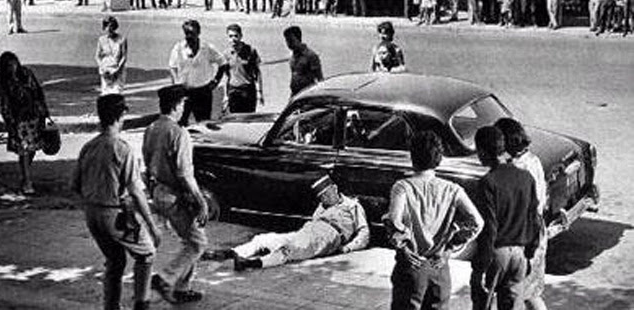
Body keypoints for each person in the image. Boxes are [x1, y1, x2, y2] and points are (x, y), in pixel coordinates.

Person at [72, 94, 161, 310]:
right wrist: (151, 225)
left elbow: (75, 186)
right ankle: (142, 303)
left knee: (115, 260)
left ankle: (111, 305)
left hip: (92, 213)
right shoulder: (122, 148)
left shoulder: (88, 147)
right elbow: (136, 192)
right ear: (121, 116)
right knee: (147, 253)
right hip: (114, 212)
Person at [385, 131, 483, 310]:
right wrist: (449, 249)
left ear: (412, 157)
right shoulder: (453, 189)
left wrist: (404, 248)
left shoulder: (402, 187)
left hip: (412, 265)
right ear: (439, 159)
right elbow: (477, 222)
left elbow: (394, 220)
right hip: (439, 267)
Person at [204, 174, 370, 270]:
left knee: (290, 249)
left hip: (329, 235)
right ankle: (231, 253)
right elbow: (313, 222)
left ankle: (251, 264)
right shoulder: (322, 206)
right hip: (309, 230)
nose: (324, 199)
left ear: (335, 189)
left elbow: (364, 233)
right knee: (264, 238)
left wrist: (348, 247)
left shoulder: (352, 206)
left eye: (326, 195)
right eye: (321, 197)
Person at [143, 85, 209, 304]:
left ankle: (183, 288)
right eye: (182, 103)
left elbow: (146, 161)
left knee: (189, 240)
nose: (183, 107)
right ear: (177, 105)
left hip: (158, 191)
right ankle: (165, 278)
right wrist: (201, 201)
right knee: (197, 243)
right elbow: (184, 173)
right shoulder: (179, 133)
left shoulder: (152, 128)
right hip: (176, 195)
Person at [471, 126, 541, 310]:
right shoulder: (526, 177)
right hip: (519, 255)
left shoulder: (488, 182)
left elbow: (489, 228)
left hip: (496, 255)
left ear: (484, 152)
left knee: (482, 302)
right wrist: (530, 253)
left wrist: (480, 267)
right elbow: (535, 219)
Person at [494, 118, 548, 310]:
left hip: (523, 235)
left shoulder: (518, 168)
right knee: (531, 293)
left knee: (519, 293)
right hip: (536, 232)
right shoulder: (533, 160)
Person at [0, 52, 48, 194]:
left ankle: (24, 175)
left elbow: (38, 92)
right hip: (19, 120)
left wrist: (44, 111)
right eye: (8, 65)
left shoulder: (26, 73)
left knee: (31, 149)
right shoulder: (5, 82)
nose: (11, 67)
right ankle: (27, 180)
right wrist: (9, 122)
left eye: (13, 63)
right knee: (24, 150)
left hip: (33, 117)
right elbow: (4, 103)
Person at [169, 20, 228, 125]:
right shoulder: (178, 48)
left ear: (198, 33)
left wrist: (215, 81)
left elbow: (222, 63)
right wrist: (176, 84)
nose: (189, 36)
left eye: (192, 33)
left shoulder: (207, 48)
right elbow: (172, 67)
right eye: (187, 33)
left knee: (203, 123)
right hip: (185, 92)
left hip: (203, 91)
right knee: (180, 123)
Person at [224, 24, 263, 113]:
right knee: (234, 121)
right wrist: (225, 96)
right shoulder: (226, 53)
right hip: (233, 91)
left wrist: (260, 92)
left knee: (249, 120)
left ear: (241, 36)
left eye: (236, 36)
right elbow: (226, 76)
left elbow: (257, 73)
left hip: (248, 90)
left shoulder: (250, 50)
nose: (233, 39)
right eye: (230, 36)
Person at [284, 26, 323, 97]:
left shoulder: (311, 55)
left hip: (307, 94)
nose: (289, 44)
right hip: (294, 94)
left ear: (298, 39)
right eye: (287, 41)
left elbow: (320, 79)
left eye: (291, 41)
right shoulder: (292, 56)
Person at [95, 16, 128, 95]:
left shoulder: (122, 39)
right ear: (104, 27)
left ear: (115, 27)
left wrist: (117, 70)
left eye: (112, 27)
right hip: (105, 70)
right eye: (107, 27)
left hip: (118, 70)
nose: (109, 29)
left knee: (116, 93)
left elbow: (124, 56)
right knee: (105, 94)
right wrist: (102, 67)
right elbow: (97, 56)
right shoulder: (101, 39)